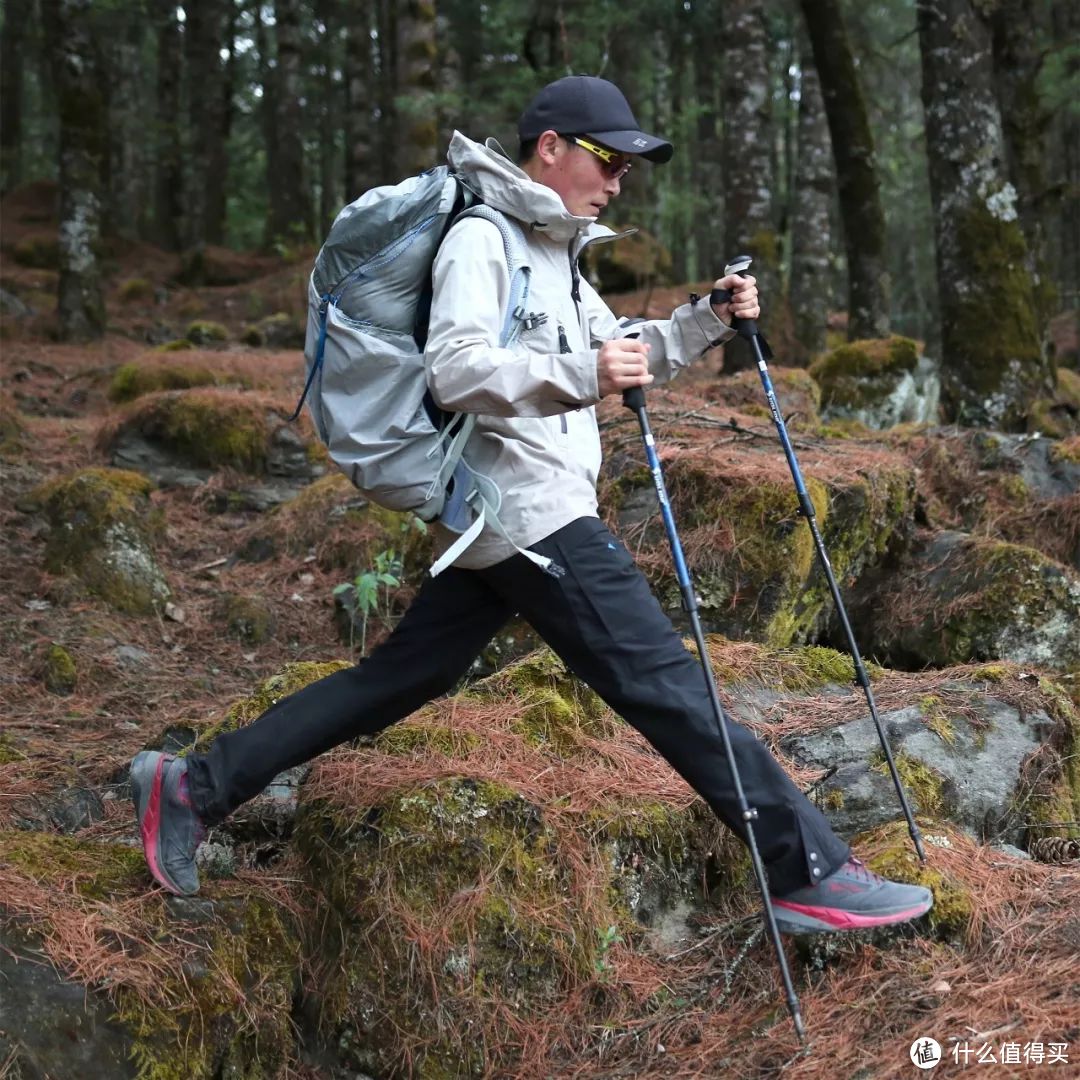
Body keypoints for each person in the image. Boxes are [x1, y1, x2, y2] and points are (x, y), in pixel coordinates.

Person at [131, 75, 932, 935]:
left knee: (404, 677)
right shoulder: (482, 239)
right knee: (667, 685)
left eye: (628, 167)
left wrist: (704, 319)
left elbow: (619, 352)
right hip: (530, 515)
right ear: (550, 146)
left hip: (510, 516)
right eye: (608, 159)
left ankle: (193, 786)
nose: (619, 180)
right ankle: (807, 868)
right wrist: (584, 377)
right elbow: (457, 369)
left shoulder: (555, 251)